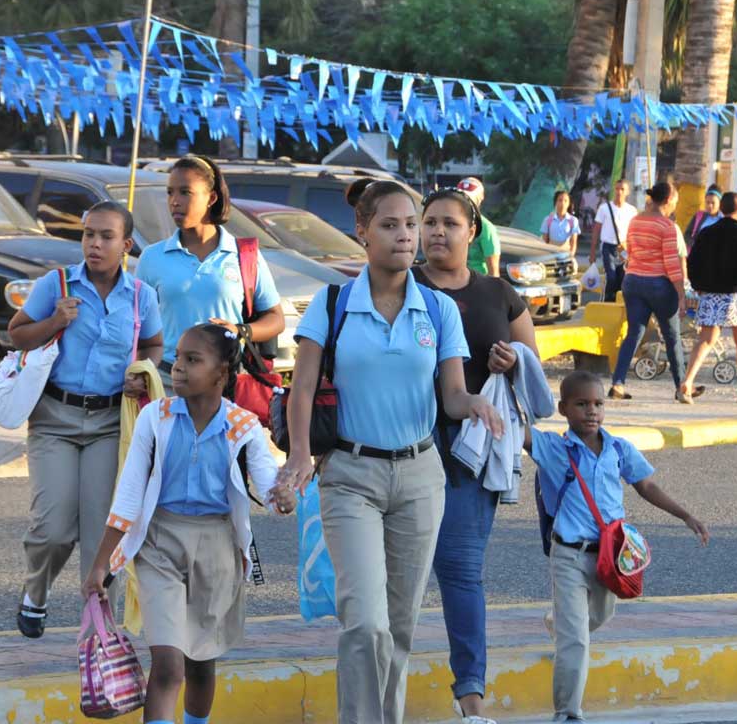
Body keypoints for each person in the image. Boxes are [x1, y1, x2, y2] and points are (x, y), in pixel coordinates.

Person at [280, 178, 503, 724]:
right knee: (364, 622)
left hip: (420, 476)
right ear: (363, 231)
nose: (407, 236)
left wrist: (475, 402)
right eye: (390, 225)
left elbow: (450, 396)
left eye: (411, 224)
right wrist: (299, 456)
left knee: (399, 627)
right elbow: (302, 388)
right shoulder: (331, 304)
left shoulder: (438, 309)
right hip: (350, 476)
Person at [82, 323, 296, 724]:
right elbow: (128, 494)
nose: (177, 367)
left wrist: (283, 498)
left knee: (200, 662)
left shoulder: (243, 426)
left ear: (222, 374)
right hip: (159, 543)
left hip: (217, 547)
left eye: (192, 360)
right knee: (168, 665)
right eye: (178, 357)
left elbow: (270, 487)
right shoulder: (155, 417)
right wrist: (101, 563)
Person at [7, 201, 164, 638]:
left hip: (109, 424)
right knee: (53, 527)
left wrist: (140, 374)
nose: (94, 244)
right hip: (54, 417)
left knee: (101, 533)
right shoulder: (55, 284)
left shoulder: (140, 296)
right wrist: (55, 319)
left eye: (106, 236)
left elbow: (153, 345)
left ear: (126, 245)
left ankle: (98, 630)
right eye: (88, 234)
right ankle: (35, 591)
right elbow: (15, 332)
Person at [414, 187, 539, 724]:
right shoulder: (401, 283)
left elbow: (533, 369)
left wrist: (514, 360)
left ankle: (471, 699)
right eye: (429, 223)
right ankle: (378, 691)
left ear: (473, 232)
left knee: (461, 570)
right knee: (396, 576)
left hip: (472, 451)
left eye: (449, 223)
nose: (437, 232)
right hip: (403, 444)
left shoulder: (499, 293)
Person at [526, 371, 709, 723]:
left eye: (598, 404)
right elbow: (519, 432)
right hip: (568, 554)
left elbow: (647, 487)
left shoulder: (618, 448)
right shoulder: (553, 448)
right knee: (576, 641)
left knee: (601, 615)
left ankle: (557, 624)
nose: (591, 412)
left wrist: (686, 516)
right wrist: (513, 375)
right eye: (581, 404)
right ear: (563, 408)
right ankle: (567, 713)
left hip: (611, 557)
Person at [135, 155, 285, 390]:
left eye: (185, 192)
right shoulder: (152, 257)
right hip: (166, 382)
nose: (174, 201)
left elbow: (276, 319)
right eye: (170, 192)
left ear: (211, 198)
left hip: (226, 383)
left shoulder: (244, 254)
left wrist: (240, 331)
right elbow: (135, 325)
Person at [607, 183, 688, 402]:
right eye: (676, 201)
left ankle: (618, 383)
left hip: (633, 282)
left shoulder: (635, 221)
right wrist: (681, 294)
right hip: (659, 285)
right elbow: (672, 264)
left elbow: (631, 252)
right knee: (672, 336)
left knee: (634, 333)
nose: (675, 206)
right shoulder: (667, 227)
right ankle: (682, 387)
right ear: (669, 199)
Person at [681, 192, 737, 404]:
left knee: (705, 339)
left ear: (722, 209)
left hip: (710, 294)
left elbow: (692, 262)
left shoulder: (706, 233)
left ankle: (687, 381)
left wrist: (698, 287)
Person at [587, 179, 638, 303]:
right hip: (608, 247)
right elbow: (596, 230)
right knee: (611, 276)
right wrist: (592, 252)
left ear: (627, 192)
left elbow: (634, 233)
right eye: (617, 189)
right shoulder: (604, 208)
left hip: (623, 248)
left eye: (622, 189)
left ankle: (618, 302)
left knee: (622, 277)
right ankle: (607, 301)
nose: (619, 192)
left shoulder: (632, 211)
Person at [457, 176, 502, 276]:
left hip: (477, 283)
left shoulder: (486, 228)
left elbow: (493, 272)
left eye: (469, 198)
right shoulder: (449, 223)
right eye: (460, 197)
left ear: (479, 200)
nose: (463, 202)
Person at [540, 185, 581, 257]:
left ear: (569, 204)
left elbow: (573, 243)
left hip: (566, 255)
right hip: (550, 255)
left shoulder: (573, 221)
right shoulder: (548, 220)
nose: (562, 203)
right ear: (555, 202)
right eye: (560, 200)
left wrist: (571, 257)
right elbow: (544, 241)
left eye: (565, 201)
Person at [683, 184, 723, 253]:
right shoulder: (699, 216)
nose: (710, 206)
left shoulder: (723, 220)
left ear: (720, 203)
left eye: (713, 203)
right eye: (707, 202)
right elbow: (687, 234)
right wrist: (695, 244)